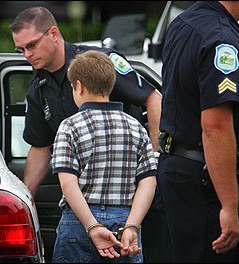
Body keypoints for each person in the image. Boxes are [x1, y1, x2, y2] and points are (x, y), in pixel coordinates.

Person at [9, 6, 161, 197]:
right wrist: (25, 198)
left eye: (31, 45)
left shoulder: (98, 62)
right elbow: (40, 146)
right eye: (21, 49)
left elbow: (153, 98)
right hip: (81, 195)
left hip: (127, 187)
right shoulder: (38, 88)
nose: (27, 55)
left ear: (53, 34)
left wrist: (154, 161)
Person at [156, 1, 239, 263]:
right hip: (203, 181)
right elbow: (215, 127)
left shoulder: (183, 23)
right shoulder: (221, 39)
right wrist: (228, 205)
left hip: (179, 170)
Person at [51, 50, 157, 263]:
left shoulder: (69, 127)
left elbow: (68, 183)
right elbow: (148, 181)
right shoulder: (136, 128)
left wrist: (92, 226)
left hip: (79, 223)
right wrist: (132, 226)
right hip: (124, 225)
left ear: (79, 86)